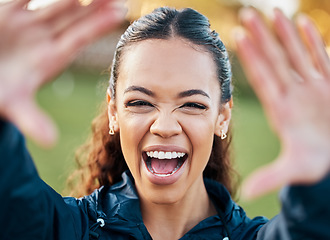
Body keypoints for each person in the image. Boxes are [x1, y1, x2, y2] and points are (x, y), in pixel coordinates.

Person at [1, 1, 330, 239]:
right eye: (141, 102)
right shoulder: (65, 229)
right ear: (114, 113)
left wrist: (321, 180)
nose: (165, 126)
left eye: (192, 105)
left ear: (222, 115)